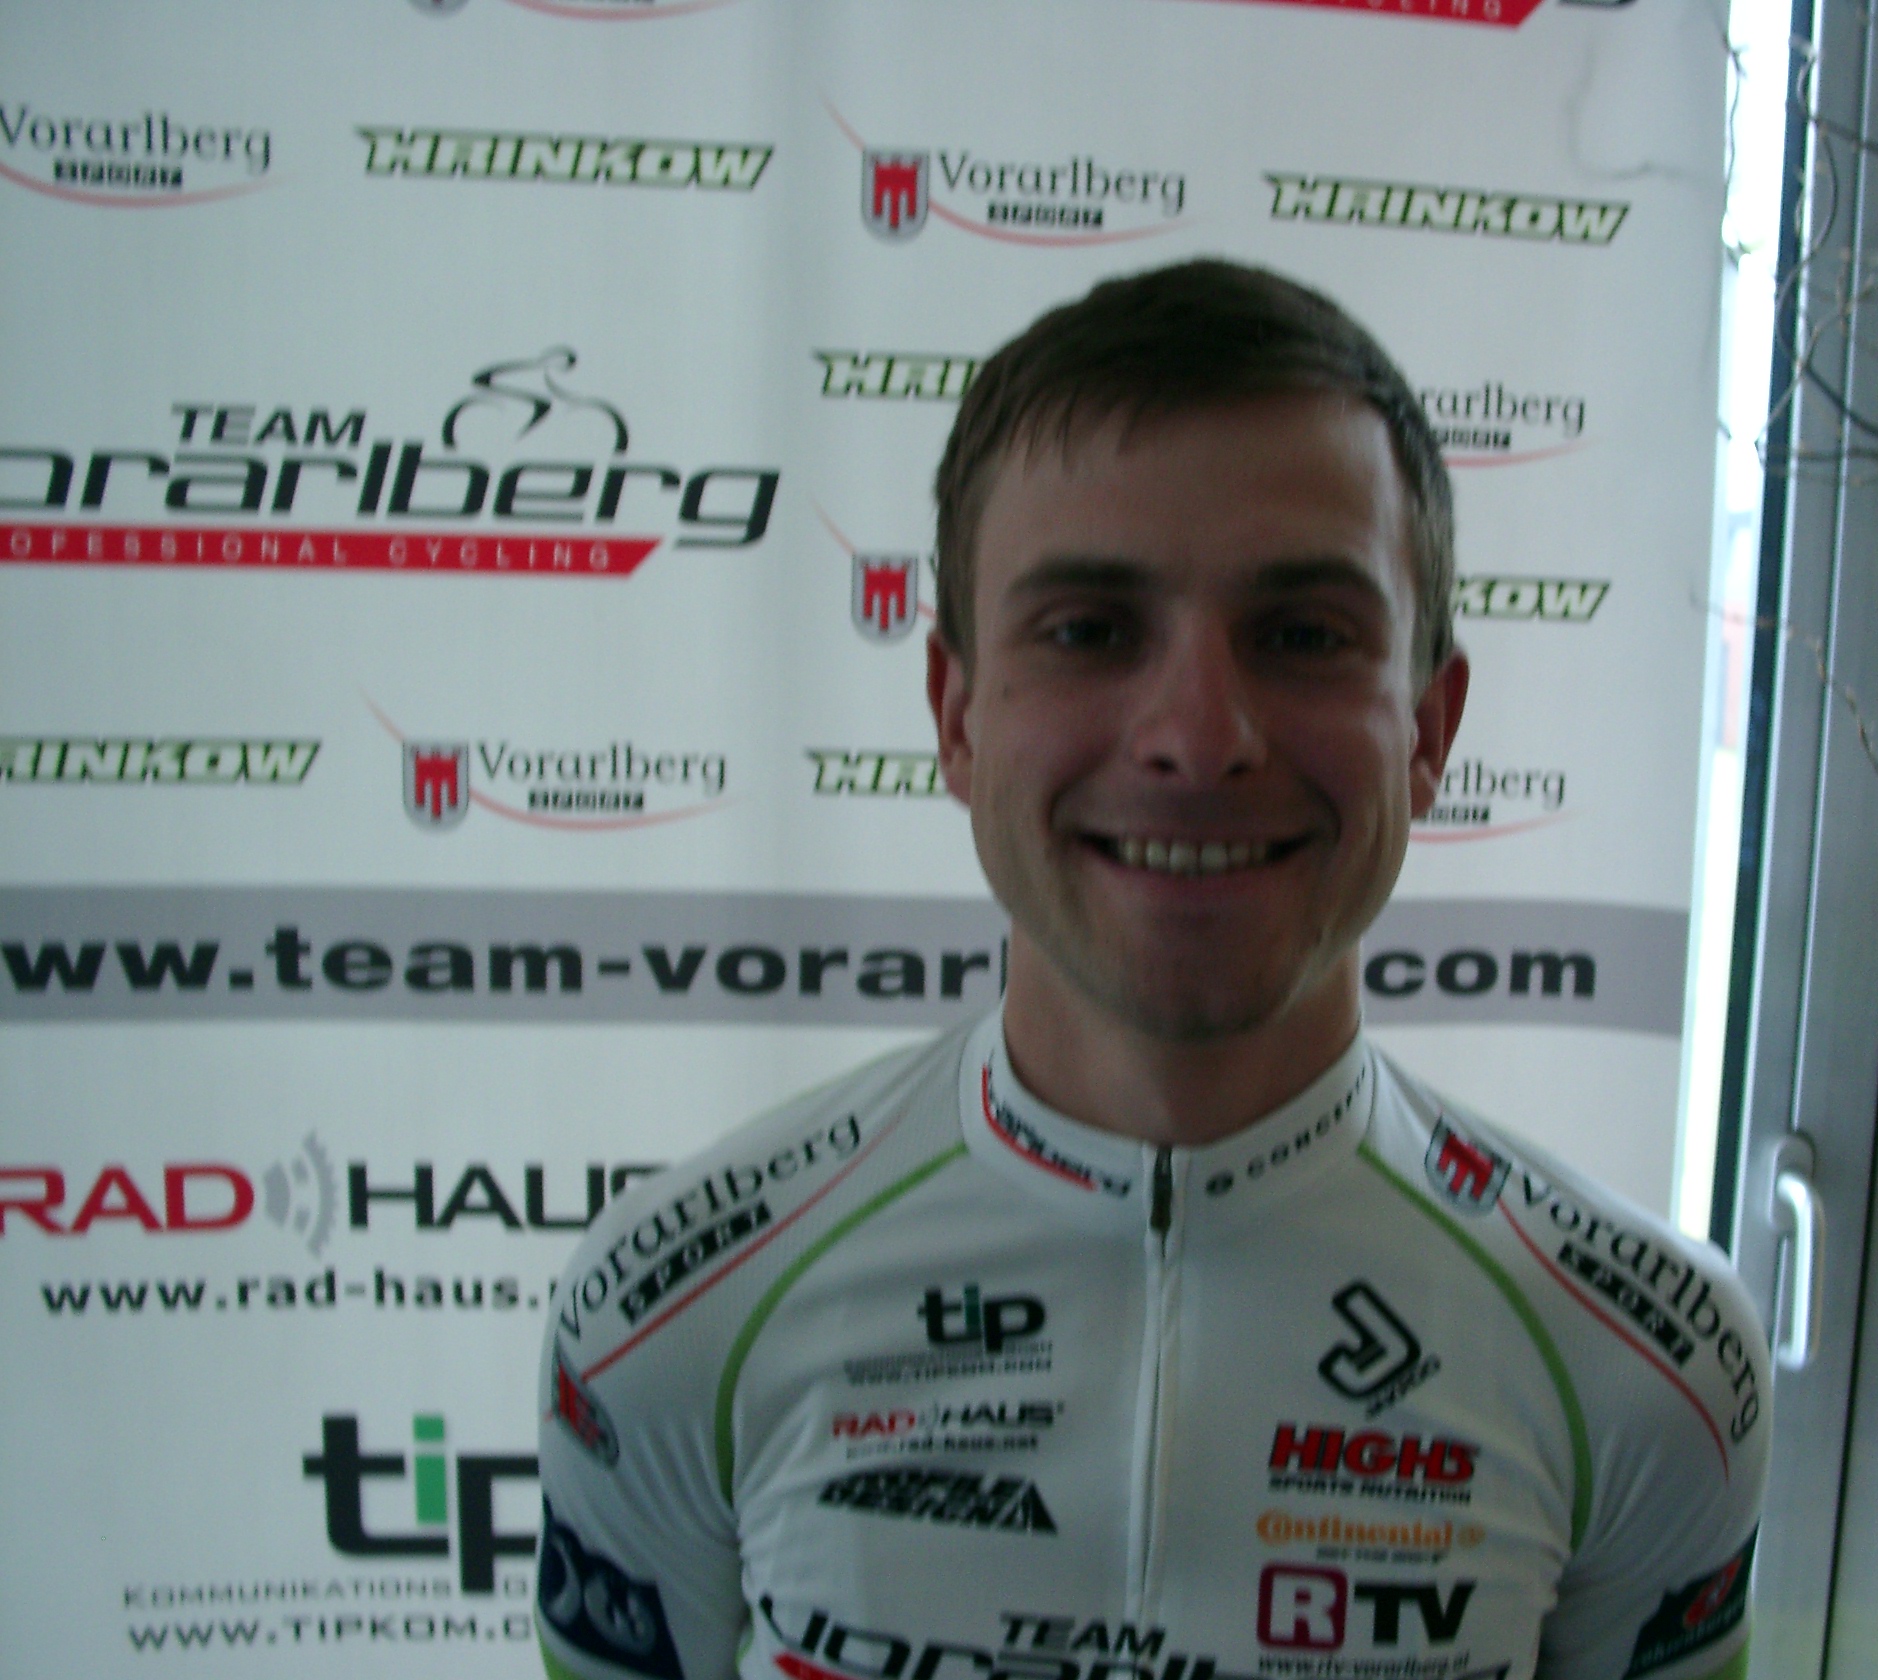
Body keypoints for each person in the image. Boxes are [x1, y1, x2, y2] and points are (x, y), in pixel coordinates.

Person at [535, 260, 1768, 1680]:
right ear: (956, 717)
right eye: (1089, 631)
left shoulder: (1651, 1371)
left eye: (1302, 635)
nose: (1197, 736)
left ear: (1429, 730)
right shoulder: (665, 1320)